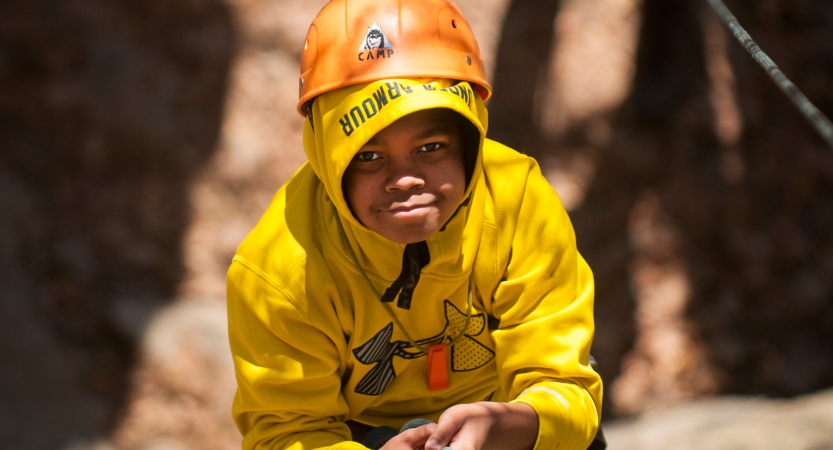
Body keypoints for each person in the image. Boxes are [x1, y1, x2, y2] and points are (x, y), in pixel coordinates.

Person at [226, 0, 602, 449]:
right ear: (327, 156)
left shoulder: (516, 202)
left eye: (432, 147)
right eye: (368, 156)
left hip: (506, 415)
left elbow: (566, 392)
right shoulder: (283, 269)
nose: (404, 178)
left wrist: (506, 425)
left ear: (468, 139)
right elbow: (287, 432)